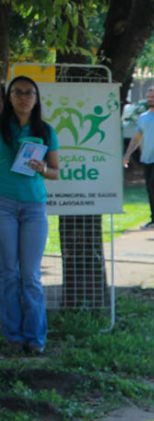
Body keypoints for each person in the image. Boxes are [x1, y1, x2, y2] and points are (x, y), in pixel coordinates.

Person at [0, 76, 60, 355]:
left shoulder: (45, 130)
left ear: (36, 98)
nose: (23, 97)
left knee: (31, 276)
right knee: (9, 274)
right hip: (3, 205)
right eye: (18, 92)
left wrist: (42, 169)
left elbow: (56, 172)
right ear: (9, 97)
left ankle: (35, 339)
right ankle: (13, 337)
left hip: (34, 207)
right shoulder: (2, 127)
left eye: (29, 93)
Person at [123, 85, 154, 229]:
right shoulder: (143, 117)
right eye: (148, 97)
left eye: (153, 97)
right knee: (150, 187)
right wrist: (127, 154)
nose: (150, 99)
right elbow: (137, 138)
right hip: (147, 157)